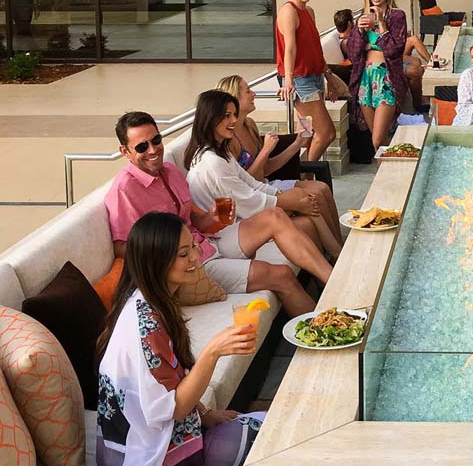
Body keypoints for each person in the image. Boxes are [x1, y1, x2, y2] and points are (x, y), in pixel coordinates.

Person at [97, 212, 264, 466]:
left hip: (139, 445)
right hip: (148, 462)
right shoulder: (146, 325)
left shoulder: (151, 302)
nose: (196, 258)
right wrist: (213, 351)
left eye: (194, 248)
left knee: (260, 426)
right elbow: (173, 406)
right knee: (265, 437)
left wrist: (206, 414)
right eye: (184, 253)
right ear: (156, 261)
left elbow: (171, 377)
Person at [105, 110, 329, 315]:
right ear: (125, 151)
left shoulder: (170, 171)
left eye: (156, 140)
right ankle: (323, 332)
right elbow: (122, 247)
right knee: (282, 275)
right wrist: (174, 252)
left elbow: (192, 222)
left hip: (207, 242)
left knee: (275, 216)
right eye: (142, 147)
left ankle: (332, 280)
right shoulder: (124, 189)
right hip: (189, 265)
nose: (153, 150)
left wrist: (211, 217)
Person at [185, 90, 343, 262]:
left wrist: (283, 195)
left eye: (234, 115)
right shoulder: (215, 158)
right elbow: (246, 195)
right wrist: (286, 199)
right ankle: (335, 256)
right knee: (307, 203)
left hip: (247, 202)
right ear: (211, 118)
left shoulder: (229, 146)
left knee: (306, 197)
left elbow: (251, 183)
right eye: (227, 115)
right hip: (229, 225)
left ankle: (336, 253)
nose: (234, 120)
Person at [215, 74, 343, 248]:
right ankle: (334, 252)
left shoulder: (249, 125)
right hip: (255, 194)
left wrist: (297, 144)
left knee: (322, 188)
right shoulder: (229, 139)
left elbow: (266, 168)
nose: (254, 94)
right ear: (234, 99)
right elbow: (245, 183)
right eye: (248, 91)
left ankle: (339, 245)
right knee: (316, 196)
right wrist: (266, 149)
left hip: (266, 183)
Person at [275, 0, 342, 160]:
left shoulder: (308, 11)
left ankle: (298, 176)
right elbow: (290, 48)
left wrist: (328, 76)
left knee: (306, 134)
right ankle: (308, 174)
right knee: (326, 133)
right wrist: (288, 80)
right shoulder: (289, 12)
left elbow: (314, 48)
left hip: (314, 76)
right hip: (300, 80)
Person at [345, 0, 409, 148]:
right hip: (366, 79)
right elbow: (353, 52)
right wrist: (358, 31)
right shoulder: (363, 18)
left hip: (386, 79)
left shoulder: (397, 16)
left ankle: (396, 166)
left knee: (378, 139)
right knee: (378, 141)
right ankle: (397, 166)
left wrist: (381, 24)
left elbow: (395, 49)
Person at [403, 33, 431, 110]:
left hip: (392, 48)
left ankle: (431, 62)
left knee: (414, 39)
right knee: (415, 69)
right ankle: (418, 103)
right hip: (384, 55)